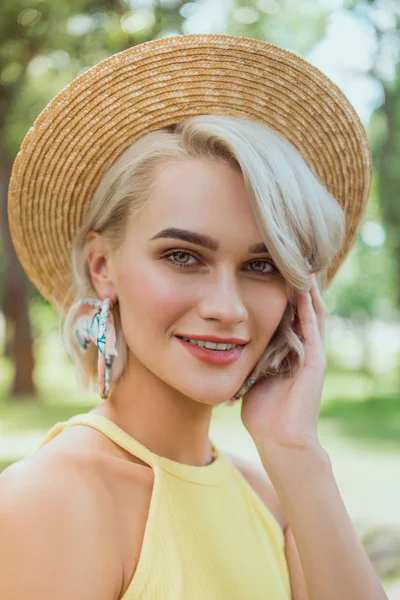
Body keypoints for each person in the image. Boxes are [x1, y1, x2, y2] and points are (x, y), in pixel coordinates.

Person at [2, 34, 387, 600]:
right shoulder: (54, 498)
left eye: (261, 266)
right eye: (183, 257)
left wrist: (294, 449)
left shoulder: (274, 493)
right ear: (103, 265)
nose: (226, 308)